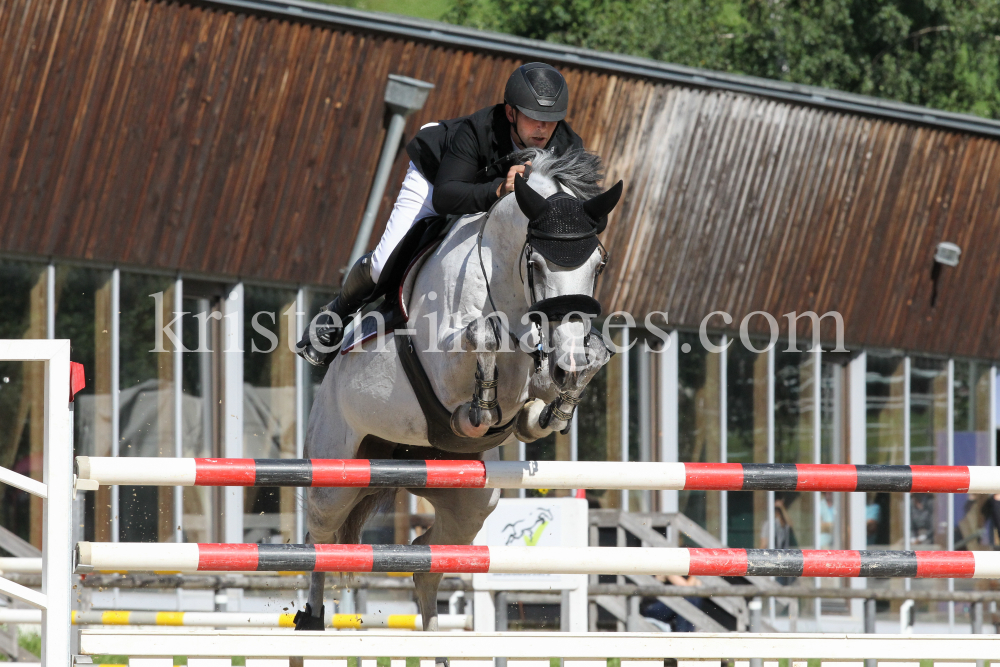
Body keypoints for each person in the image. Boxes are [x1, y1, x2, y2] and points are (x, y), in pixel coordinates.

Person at [295, 62, 585, 366]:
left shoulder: (567, 148)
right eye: (533, 117)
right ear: (510, 112)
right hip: (438, 179)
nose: (542, 128)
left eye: (550, 120)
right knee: (384, 264)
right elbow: (447, 197)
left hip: (490, 199)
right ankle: (336, 315)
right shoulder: (477, 130)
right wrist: (499, 190)